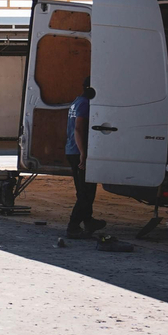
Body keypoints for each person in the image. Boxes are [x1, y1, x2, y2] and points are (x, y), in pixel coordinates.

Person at [65, 77, 107, 239]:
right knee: (85, 193)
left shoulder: (77, 101)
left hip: (72, 150)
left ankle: (88, 220)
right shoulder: (85, 104)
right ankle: (73, 226)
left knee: (86, 190)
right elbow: (79, 129)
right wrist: (83, 153)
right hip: (78, 152)